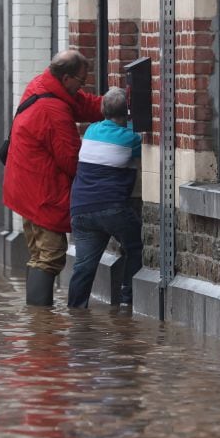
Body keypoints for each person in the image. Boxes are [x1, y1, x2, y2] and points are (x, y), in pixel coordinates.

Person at [3, 50, 103, 306]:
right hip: (41, 191)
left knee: (39, 253)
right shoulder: (53, 109)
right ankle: (41, 325)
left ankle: (38, 325)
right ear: (67, 78)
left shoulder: (43, 85)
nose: (83, 85)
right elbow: (71, 159)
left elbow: (82, 104)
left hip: (25, 186)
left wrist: (115, 103)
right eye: (81, 81)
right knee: (51, 254)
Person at [67, 87, 143, 308]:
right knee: (136, 246)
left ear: (102, 110)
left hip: (80, 209)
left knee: (83, 267)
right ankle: (128, 299)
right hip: (112, 209)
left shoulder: (91, 131)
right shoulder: (131, 138)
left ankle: (76, 313)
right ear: (126, 112)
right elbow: (141, 150)